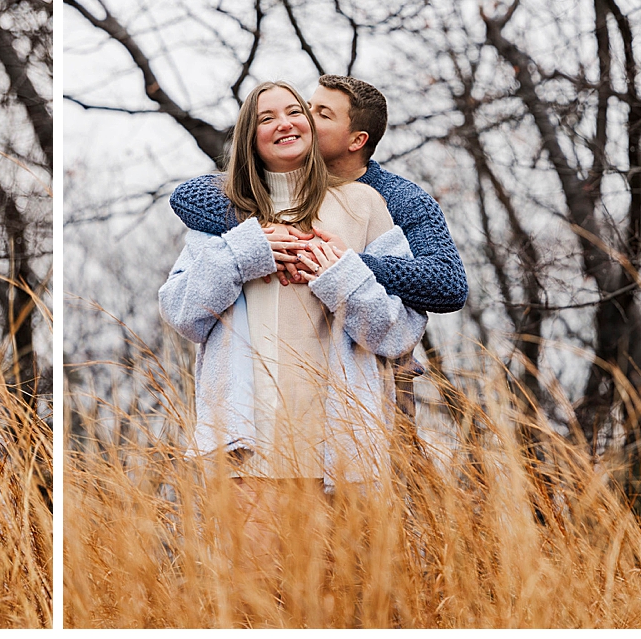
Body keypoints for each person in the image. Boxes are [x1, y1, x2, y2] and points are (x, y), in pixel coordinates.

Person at [158, 82, 428, 565]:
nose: (284, 122)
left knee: (341, 601)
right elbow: (182, 313)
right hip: (248, 445)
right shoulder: (224, 216)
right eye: (266, 118)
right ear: (250, 136)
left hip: (342, 449)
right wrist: (246, 254)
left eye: (295, 111)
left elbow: (399, 331)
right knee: (254, 601)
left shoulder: (365, 206)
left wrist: (339, 275)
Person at [169, 74, 468, 314]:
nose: (304, 119)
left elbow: (448, 282)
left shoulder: (399, 198)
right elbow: (187, 196)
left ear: (356, 141)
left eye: (322, 115)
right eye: (308, 107)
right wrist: (266, 232)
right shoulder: (272, 183)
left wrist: (350, 263)